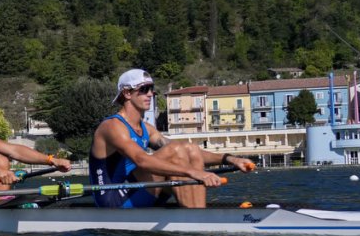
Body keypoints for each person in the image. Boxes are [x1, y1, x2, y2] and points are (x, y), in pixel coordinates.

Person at [90, 68, 254, 208]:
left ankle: (198, 217)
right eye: (144, 89)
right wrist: (194, 173)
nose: (150, 94)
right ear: (126, 93)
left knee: (187, 148)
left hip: (138, 190)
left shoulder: (147, 129)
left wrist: (231, 159)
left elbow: (188, 151)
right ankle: (198, 223)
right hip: (113, 199)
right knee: (177, 151)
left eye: (152, 89)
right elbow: (142, 160)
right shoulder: (112, 126)